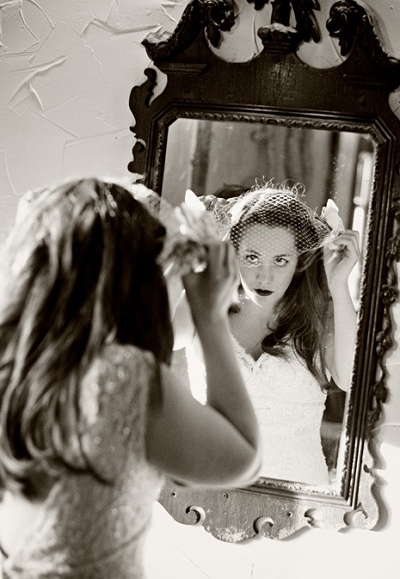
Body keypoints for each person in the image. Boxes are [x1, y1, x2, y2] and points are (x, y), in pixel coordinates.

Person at [0, 177, 261, 578]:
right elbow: (242, 459)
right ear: (134, 283)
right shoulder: (120, 378)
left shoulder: (17, 367)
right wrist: (210, 317)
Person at [174, 183, 360, 485]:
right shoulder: (204, 304)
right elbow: (162, 336)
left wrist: (339, 286)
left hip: (300, 512)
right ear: (232, 252)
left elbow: (351, 377)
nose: (265, 275)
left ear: (299, 261)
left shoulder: (319, 318)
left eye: (280, 260)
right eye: (252, 257)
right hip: (204, 496)